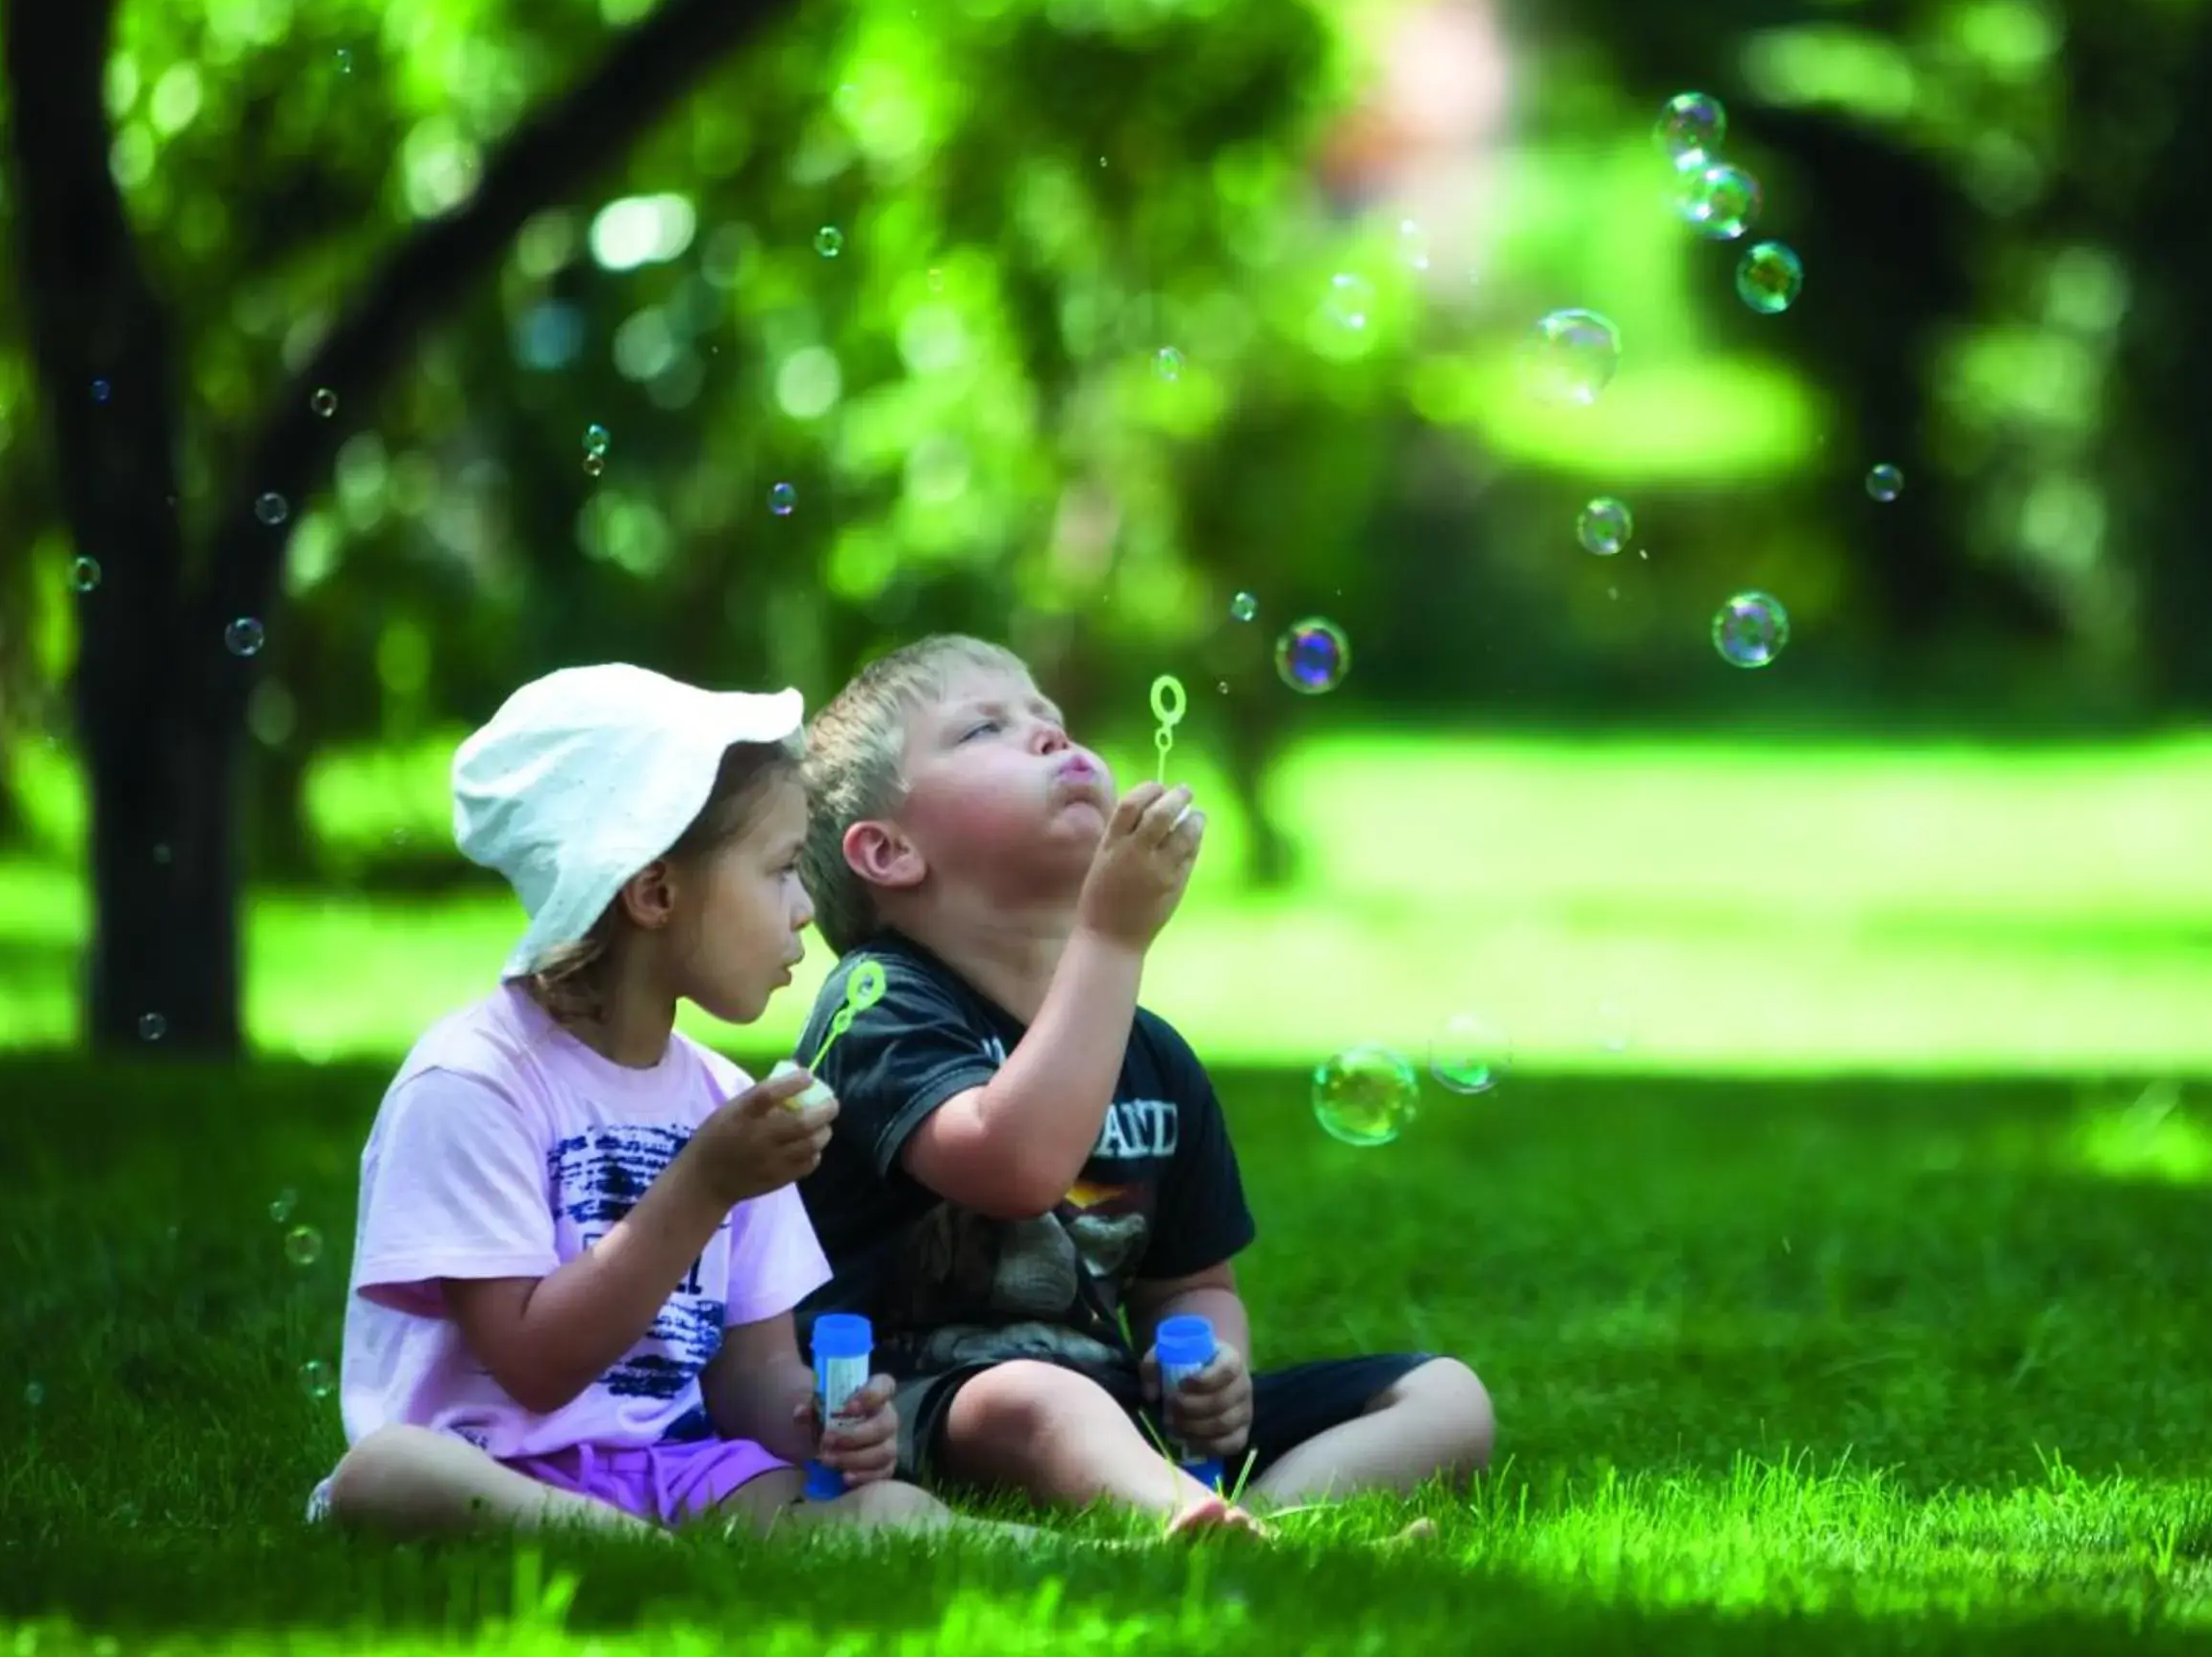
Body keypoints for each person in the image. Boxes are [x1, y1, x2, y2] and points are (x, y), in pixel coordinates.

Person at [787, 635, 1496, 1538]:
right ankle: (1196, 1521)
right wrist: (1114, 940)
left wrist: (1209, 1375)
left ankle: (1254, 1529)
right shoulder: (883, 1003)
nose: (1049, 737)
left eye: (1052, 718)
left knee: (1446, 1396)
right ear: (888, 852)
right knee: (1034, 1399)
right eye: (983, 731)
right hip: (915, 1401)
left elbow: (1192, 1282)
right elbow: (1014, 1167)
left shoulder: (1150, 1053)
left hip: (1113, 1402)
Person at [309, 664, 976, 1542]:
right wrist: (702, 1185)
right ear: (655, 892)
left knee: (891, 1512)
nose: (807, 909)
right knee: (386, 1474)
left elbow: (753, 1380)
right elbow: (534, 1368)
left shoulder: (727, 1102)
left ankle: (1111, 1552)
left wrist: (828, 1426)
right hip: (488, 1468)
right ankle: (619, 1542)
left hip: (673, 1469)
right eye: (779, 870)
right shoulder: (472, 1085)